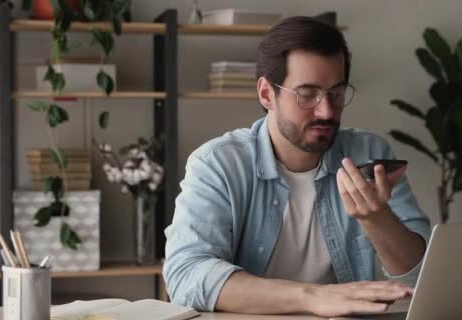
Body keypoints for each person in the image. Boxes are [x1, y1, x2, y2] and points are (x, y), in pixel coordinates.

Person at [163, 16, 430, 317]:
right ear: (267, 94)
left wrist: (377, 219)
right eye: (307, 95)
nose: (326, 110)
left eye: (336, 93)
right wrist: (312, 297)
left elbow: (419, 276)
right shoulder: (218, 164)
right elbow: (186, 275)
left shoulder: (368, 153)